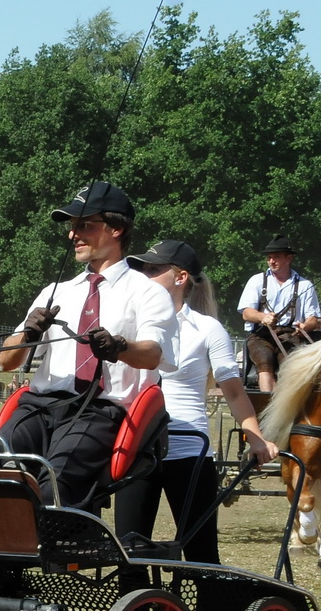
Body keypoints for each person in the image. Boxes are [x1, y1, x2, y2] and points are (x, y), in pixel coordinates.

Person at [0, 181, 177, 511]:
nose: (72, 235)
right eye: (71, 226)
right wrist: (28, 335)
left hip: (100, 409)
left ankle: (37, 540)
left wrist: (119, 347)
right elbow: (6, 361)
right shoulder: (57, 290)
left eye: (84, 226)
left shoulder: (148, 292)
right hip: (40, 405)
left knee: (56, 483)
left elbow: (153, 355)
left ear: (116, 228)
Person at [114, 240, 275, 562]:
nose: (144, 275)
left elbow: (233, 391)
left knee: (201, 555)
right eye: (142, 269)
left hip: (189, 450)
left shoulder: (206, 328)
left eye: (154, 269)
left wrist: (256, 438)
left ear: (180, 277)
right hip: (136, 447)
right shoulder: (126, 325)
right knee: (128, 554)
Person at [237, 237, 321, 392]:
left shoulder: (305, 285)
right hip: (260, 335)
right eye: (269, 258)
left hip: (290, 335)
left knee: (292, 364)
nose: (271, 261)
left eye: (276, 257)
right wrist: (263, 317)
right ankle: (268, 401)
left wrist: (305, 326)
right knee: (265, 359)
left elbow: (313, 319)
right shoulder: (256, 281)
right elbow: (247, 313)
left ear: (289, 258)